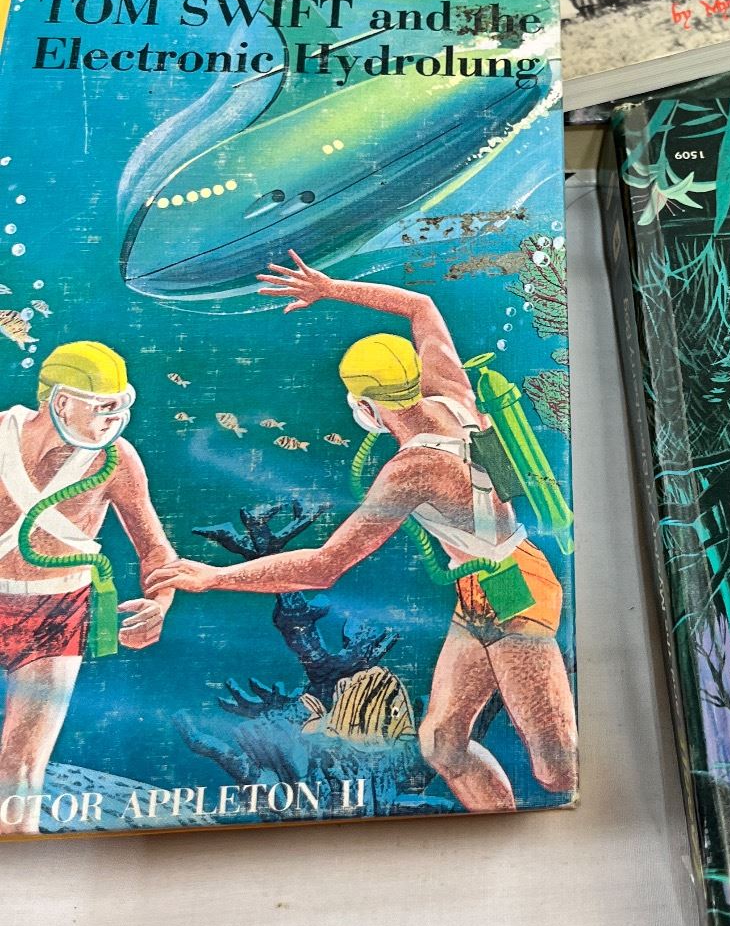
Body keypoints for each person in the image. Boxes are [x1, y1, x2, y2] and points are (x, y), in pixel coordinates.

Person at [147, 256, 577, 814]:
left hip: (513, 590)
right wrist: (328, 288)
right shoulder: (452, 394)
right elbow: (420, 306)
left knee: (557, 769)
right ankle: (503, 828)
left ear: (366, 406)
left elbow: (324, 566)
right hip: (485, 587)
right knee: (442, 745)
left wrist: (213, 577)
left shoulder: (411, 469)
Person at [0, 343, 179, 835]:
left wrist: (160, 602)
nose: (117, 418)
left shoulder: (117, 460)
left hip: (56, 614)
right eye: (105, 406)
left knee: (20, 768)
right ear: (61, 402)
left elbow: (156, 550)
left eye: (124, 404)